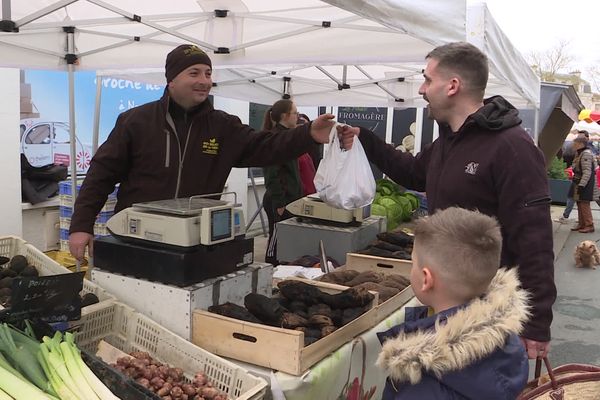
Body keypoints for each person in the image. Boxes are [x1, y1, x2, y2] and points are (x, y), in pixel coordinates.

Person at [339, 41, 555, 358]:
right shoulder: (447, 142)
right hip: (448, 304)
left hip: (489, 312)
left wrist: (536, 324)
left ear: (452, 85)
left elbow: (534, 238)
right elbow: (411, 172)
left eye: (428, 80)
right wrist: (365, 138)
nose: (423, 90)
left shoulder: (512, 148)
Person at [68, 44, 344, 259]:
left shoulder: (223, 126)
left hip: (195, 242)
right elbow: (100, 175)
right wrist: (81, 226)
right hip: (137, 239)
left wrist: (307, 135)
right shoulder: (136, 121)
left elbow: (266, 146)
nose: (204, 80)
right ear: (172, 80)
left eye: (208, 73)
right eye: (194, 73)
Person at [376, 207, 529, 399]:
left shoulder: (421, 383)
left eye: (413, 262)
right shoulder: (506, 342)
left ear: (426, 279)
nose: (411, 268)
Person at [261, 100, 314, 265]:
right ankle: (271, 268)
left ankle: (282, 267)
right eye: (295, 113)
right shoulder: (275, 139)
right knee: (276, 238)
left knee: (286, 239)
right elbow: (271, 174)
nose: (297, 117)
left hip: (291, 200)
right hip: (279, 200)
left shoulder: (287, 136)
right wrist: (280, 202)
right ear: (285, 116)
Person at [569, 134, 596, 233]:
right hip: (578, 180)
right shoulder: (580, 153)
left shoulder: (586, 154)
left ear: (580, 144)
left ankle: (589, 225)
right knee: (579, 202)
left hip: (585, 182)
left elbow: (587, 171)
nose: (573, 145)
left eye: (575, 143)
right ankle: (582, 223)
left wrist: (582, 185)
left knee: (584, 203)